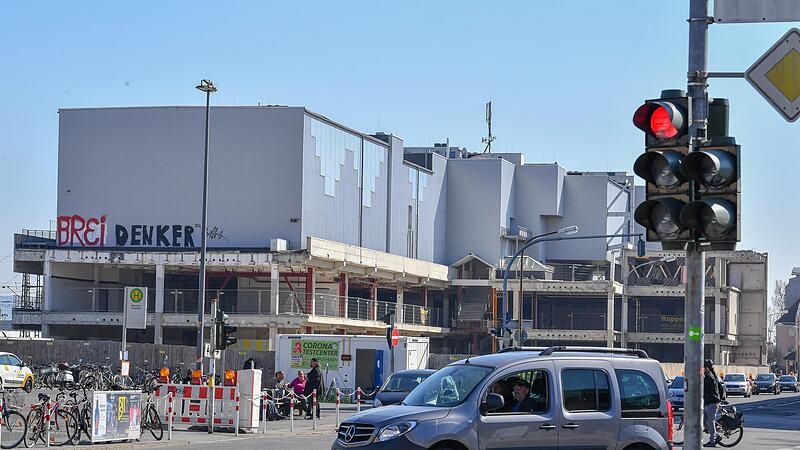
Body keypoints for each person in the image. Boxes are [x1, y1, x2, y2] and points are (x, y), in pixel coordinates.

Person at [703, 359, 724, 447]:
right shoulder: (713, 375)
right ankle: (716, 436)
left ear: (707, 368)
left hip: (712, 402)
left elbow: (705, 390)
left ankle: (712, 441)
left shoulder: (709, 377)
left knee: (710, 422)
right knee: (704, 422)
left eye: (703, 367)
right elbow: (721, 388)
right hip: (710, 402)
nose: (702, 369)